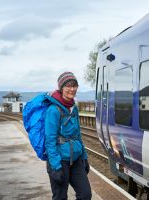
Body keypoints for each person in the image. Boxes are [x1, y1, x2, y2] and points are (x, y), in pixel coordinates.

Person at [45, 71, 92, 200]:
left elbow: (77, 135)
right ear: (61, 88)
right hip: (60, 161)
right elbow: (50, 141)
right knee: (60, 197)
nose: (72, 89)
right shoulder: (53, 110)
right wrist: (56, 166)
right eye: (68, 86)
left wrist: (84, 157)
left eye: (74, 85)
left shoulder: (74, 108)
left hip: (76, 160)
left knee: (85, 194)